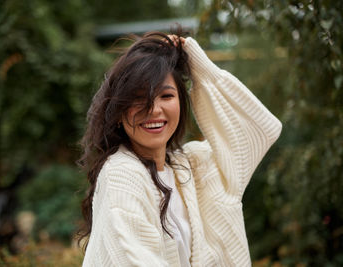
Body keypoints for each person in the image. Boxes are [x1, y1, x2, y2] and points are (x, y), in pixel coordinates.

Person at [77, 31, 282, 266]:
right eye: (138, 98)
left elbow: (259, 132)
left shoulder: (191, 167)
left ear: (182, 103)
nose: (154, 109)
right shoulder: (122, 175)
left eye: (166, 95)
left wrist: (198, 67)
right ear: (118, 112)